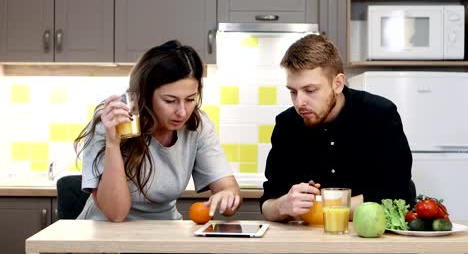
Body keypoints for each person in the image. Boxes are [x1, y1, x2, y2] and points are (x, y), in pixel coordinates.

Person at [74, 40, 241, 222]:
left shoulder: (197, 125)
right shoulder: (113, 120)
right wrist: (113, 143)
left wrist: (228, 197)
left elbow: (229, 190)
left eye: (190, 99)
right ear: (145, 94)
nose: (182, 112)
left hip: (163, 232)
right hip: (106, 233)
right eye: (170, 100)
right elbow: (116, 214)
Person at [260, 34, 414, 222]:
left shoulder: (380, 115)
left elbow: (397, 193)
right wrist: (283, 205)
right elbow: (268, 204)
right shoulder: (286, 124)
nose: (299, 103)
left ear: (338, 84)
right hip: (307, 241)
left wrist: (327, 206)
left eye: (310, 91)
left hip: (372, 239)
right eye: (293, 91)